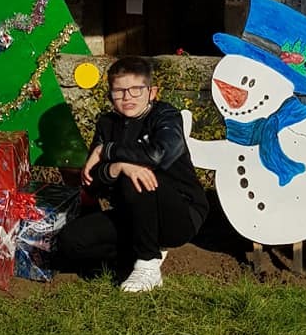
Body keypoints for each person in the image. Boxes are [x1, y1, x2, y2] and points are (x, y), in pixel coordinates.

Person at [58, 55, 209, 292]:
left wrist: (109, 150)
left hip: (180, 213)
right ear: (110, 95)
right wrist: (117, 167)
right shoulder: (107, 124)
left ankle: (148, 265)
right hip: (132, 212)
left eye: (136, 89)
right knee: (71, 241)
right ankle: (141, 254)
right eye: (119, 91)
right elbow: (93, 182)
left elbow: (158, 155)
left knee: (135, 176)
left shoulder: (166, 116)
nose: (127, 97)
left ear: (152, 92)